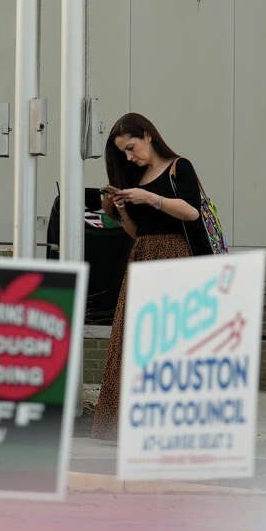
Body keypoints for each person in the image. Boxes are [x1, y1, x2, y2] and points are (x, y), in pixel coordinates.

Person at [90, 113, 203, 440]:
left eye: (131, 147)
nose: (129, 156)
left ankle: (172, 425)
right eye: (123, 152)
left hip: (175, 256)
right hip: (142, 256)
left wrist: (150, 198)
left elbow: (191, 212)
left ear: (148, 136)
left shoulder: (179, 167)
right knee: (132, 340)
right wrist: (122, 206)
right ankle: (125, 424)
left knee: (169, 342)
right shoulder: (133, 176)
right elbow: (136, 231)